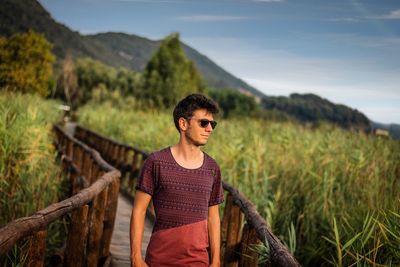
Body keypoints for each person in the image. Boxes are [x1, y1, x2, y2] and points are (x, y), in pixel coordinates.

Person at [130, 93, 224, 267]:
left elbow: (213, 217)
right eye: (204, 122)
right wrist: (136, 257)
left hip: (198, 262)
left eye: (213, 124)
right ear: (183, 123)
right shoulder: (156, 162)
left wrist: (216, 260)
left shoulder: (212, 168)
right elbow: (139, 210)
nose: (209, 128)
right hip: (159, 259)